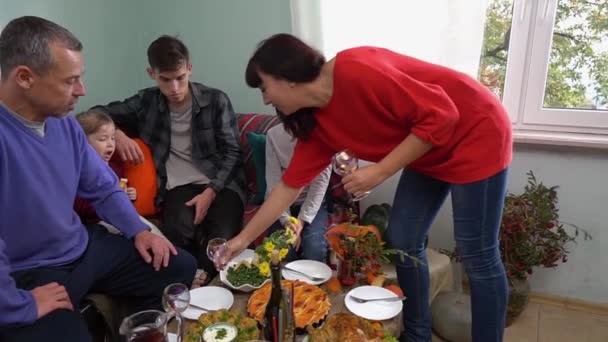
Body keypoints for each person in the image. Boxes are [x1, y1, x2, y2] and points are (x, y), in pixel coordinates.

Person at [222, 33, 512, 342]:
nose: (265, 99)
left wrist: (380, 172)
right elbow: (287, 188)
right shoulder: (316, 127)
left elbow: (443, 116)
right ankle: (417, 333)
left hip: (475, 129)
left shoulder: (355, 69)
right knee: (402, 237)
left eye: (264, 87)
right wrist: (242, 239)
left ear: (286, 77)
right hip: (428, 147)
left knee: (477, 254)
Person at [0, 16, 197, 342]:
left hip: (84, 248)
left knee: (179, 266)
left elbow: (103, 188)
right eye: (70, 81)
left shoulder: (63, 122)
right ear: (25, 77)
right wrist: (19, 305)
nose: (82, 91)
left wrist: (138, 230)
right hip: (29, 272)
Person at [92, 35, 246, 282]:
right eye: (165, 80)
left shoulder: (216, 100)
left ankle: (207, 282)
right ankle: (193, 284)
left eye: (180, 78)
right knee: (177, 233)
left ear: (190, 69)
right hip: (177, 186)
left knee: (221, 241)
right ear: (151, 73)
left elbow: (233, 152)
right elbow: (93, 114)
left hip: (221, 183)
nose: (174, 88)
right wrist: (118, 134)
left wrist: (210, 192)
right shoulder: (146, 101)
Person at [265, 123, 332, 262]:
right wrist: (287, 221)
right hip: (280, 205)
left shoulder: (323, 134)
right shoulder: (273, 135)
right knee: (285, 251)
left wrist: (300, 223)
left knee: (314, 251)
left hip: (311, 203)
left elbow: (319, 184)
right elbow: (273, 184)